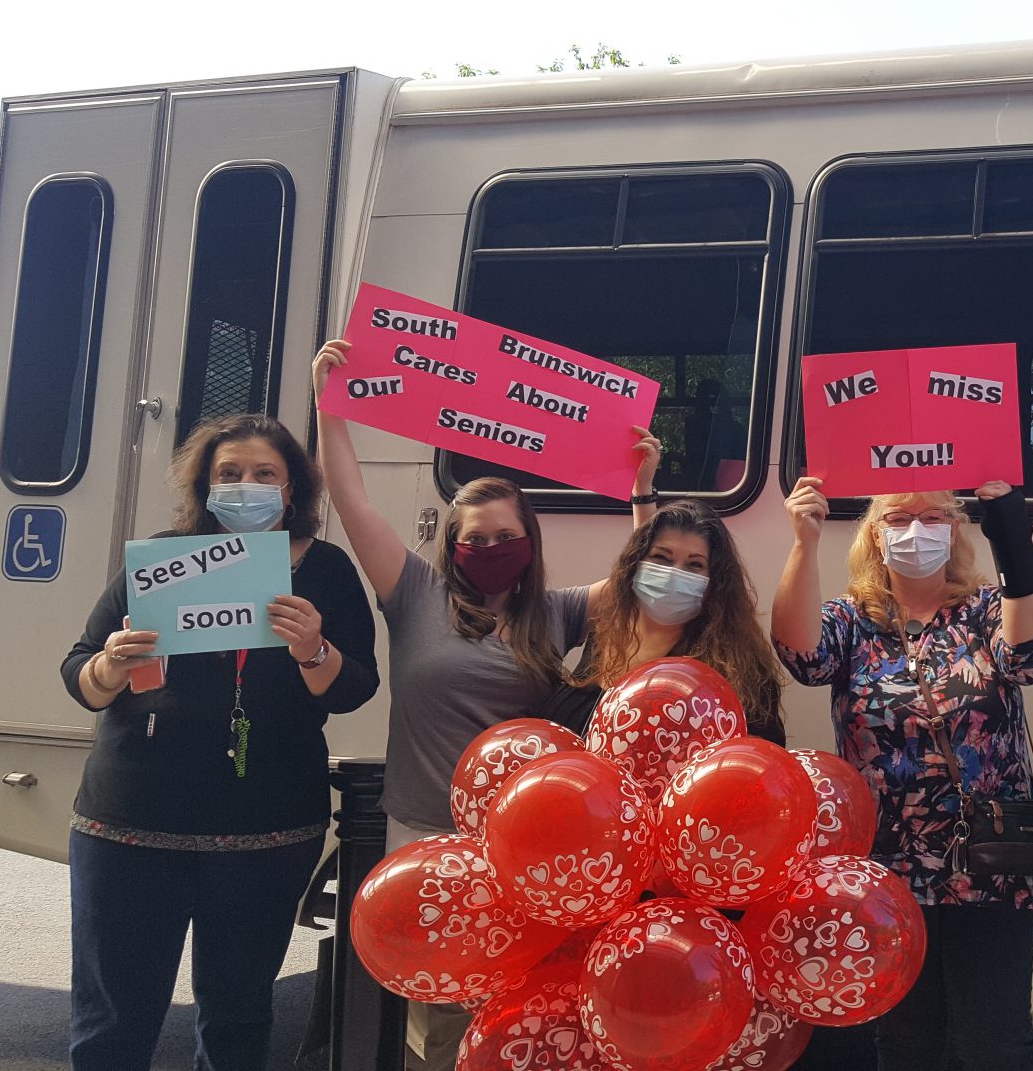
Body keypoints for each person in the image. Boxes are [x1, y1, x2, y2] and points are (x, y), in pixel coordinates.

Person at [310, 338, 658, 1070]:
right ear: (454, 546)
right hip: (426, 838)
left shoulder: (555, 611)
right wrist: (329, 408)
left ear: (528, 543)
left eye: (507, 537)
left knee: (511, 1009)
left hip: (522, 850)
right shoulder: (412, 593)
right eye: (478, 539)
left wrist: (641, 495)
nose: (492, 548)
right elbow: (351, 501)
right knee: (436, 1018)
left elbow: (639, 583)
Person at [60, 414, 380, 1071]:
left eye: (265, 474)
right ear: (205, 486)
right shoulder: (161, 562)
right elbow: (80, 674)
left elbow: (354, 688)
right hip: (128, 830)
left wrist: (313, 649)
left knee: (237, 1019)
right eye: (228, 474)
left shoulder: (324, 571)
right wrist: (111, 666)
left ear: (292, 491)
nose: (245, 486)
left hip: (265, 837)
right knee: (113, 1023)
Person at [772, 477, 1033, 1071]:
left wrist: (1008, 524)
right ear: (876, 536)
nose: (915, 531)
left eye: (932, 517)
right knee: (905, 1043)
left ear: (954, 531)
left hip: (990, 866)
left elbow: (1031, 655)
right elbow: (802, 655)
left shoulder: (983, 609)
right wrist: (803, 541)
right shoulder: (851, 621)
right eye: (898, 519)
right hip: (886, 872)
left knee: (995, 1045)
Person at [545, 497, 787, 745]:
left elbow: (757, 757)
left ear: (716, 582)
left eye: (694, 565)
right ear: (636, 564)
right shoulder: (606, 630)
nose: (674, 574)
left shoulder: (739, 667)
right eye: (661, 558)